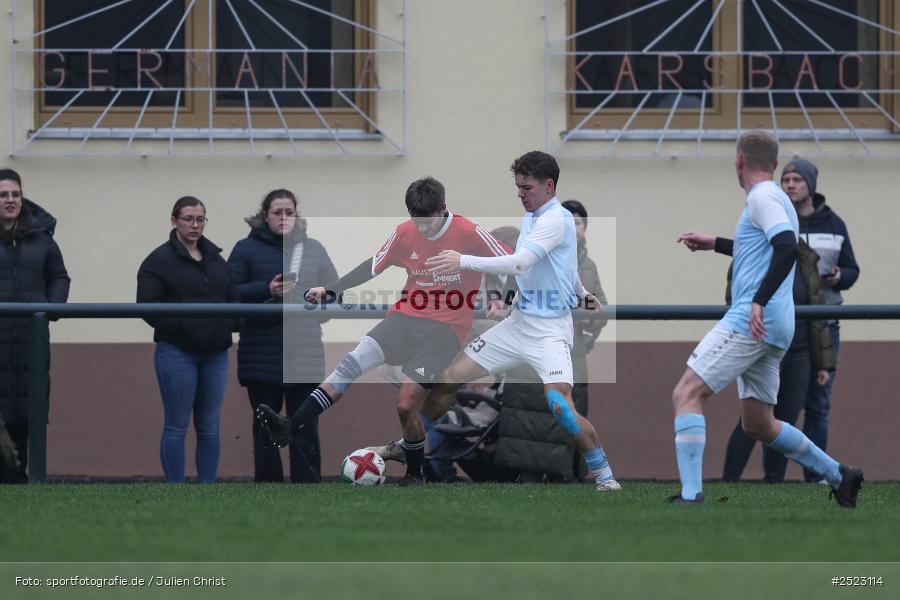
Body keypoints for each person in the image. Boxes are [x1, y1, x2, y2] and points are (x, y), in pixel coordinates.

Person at [257, 177, 510, 485]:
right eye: (417, 221)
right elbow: (374, 264)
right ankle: (289, 425)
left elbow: (512, 260)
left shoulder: (468, 232)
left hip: (443, 332)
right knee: (352, 361)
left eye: (428, 221)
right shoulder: (405, 232)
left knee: (405, 405)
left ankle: (415, 472)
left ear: (443, 209)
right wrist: (331, 289)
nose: (423, 229)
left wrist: (502, 297)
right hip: (403, 319)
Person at [673, 130, 862, 506]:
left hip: (752, 319)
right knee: (759, 423)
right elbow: (763, 249)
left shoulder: (761, 197)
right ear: (775, 165)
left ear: (739, 161)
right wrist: (716, 244)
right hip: (777, 325)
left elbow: (787, 248)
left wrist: (758, 300)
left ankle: (691, 496)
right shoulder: (777, 200)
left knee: (686, 393)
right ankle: (840, 475)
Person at [422, 150, 621, 492]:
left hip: (549, 333)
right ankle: (414, 451)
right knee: (450, 378)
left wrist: (462, 261)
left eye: (526, 187)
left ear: (548, 185)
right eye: (518, 187)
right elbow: (566, 267)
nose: (520, 194)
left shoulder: (556, 219)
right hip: (517, 326)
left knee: (559, 405)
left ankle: (605, 476)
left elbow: (519, 264)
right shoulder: (533, 216)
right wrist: (581, 292)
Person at [227, 189, 338, 483]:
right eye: (278, 212)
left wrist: (321, 297)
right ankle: (268, 484)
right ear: (265, 216)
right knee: (264, 424)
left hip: (305, 351)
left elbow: (335, 293)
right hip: (261, 352)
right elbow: (227, 293)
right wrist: (266, 290)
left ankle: (308, 483)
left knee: (306, 424)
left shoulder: (313, 248)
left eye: (290, 212)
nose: (284, 218)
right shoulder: (245, 249)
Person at [137, 196, 239, 484]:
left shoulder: (217, 260)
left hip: (216, 353)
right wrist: (186, 325)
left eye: (200, 219)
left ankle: (207, 485)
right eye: (189, 219)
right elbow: (147, 306)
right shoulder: (158, 261)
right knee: (176, 425)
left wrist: (228, 325)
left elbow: (234, 299)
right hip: (176, 352)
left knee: (209, 426)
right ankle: (175, 487)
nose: (195, 225)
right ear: (174, 221)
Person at [721, 236, 835, 482]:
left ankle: (774, 481)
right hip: (759, 345)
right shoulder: (752, 250)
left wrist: (823, 363)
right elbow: (735, 299)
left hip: (799, 349)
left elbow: (817, 305)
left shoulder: (806, 256)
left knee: (785, 419)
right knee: (751, 419)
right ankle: (728, 481)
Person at [780, 158, 860, 482]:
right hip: (789, 322)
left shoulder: (834, 224)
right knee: (780, 408)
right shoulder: (779, 220)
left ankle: (815, 478)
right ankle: (773, 479)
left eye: (797, 179)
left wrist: (841, 276)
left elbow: (853, 270)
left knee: (818, 404)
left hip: (826, 323)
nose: (790, 185)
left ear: (810, 185)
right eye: (785, 179)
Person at [0, 169, 70, 483]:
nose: (10, 201)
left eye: (15, 194)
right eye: (3, 195)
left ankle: (23, 476)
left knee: (28, 408)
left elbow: (59, 276)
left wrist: (50, 309)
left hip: (31, 337)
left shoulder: (41, 239)